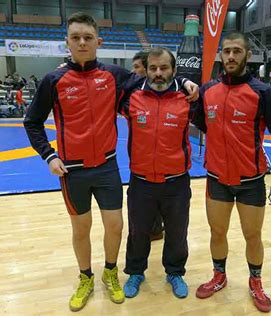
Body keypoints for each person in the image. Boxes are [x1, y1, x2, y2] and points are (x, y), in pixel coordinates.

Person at [23, 12, 197, 312]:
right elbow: (32, 122)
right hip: (72, 169)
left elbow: (154, 79)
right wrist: (48, 155)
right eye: (75, 37)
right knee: (81, 229)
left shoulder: (114, 76)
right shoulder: (54, 79)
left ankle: (111, 272)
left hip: (106, 166)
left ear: (98, 42)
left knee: (115, 227)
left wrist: (182, 80)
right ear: (67, 41)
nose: (81, 42)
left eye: (87, 37)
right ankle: (86, 278)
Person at [193, 33, 271, 313]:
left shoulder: (262, 92)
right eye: (226, 51)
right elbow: (202, 122)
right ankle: (219, 276)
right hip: (216, 179)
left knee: (253, 235)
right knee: (217, 232)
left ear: (247, 55)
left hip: (250, 181)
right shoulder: (207, 91)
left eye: (237, 51)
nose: (230, 57)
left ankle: (256, 281)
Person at [121, 46, 197, 300]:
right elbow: (110, 76)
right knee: (138, 231)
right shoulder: (131, 97)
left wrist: (186, 82)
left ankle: (175, 272)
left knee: (177, 231)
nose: (158, 73)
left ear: (173, 70)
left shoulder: (187, 100)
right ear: (146, 71)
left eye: (164, 68)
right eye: (152, 68)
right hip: (141, 181)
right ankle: (135, 272)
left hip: (176, 181)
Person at [130, 50, 165, 242]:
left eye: (137, 67)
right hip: (142, 165)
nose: (133, 72)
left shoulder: (175, 93)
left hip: (167, 168)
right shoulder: (132, 94)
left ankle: (157, 228)